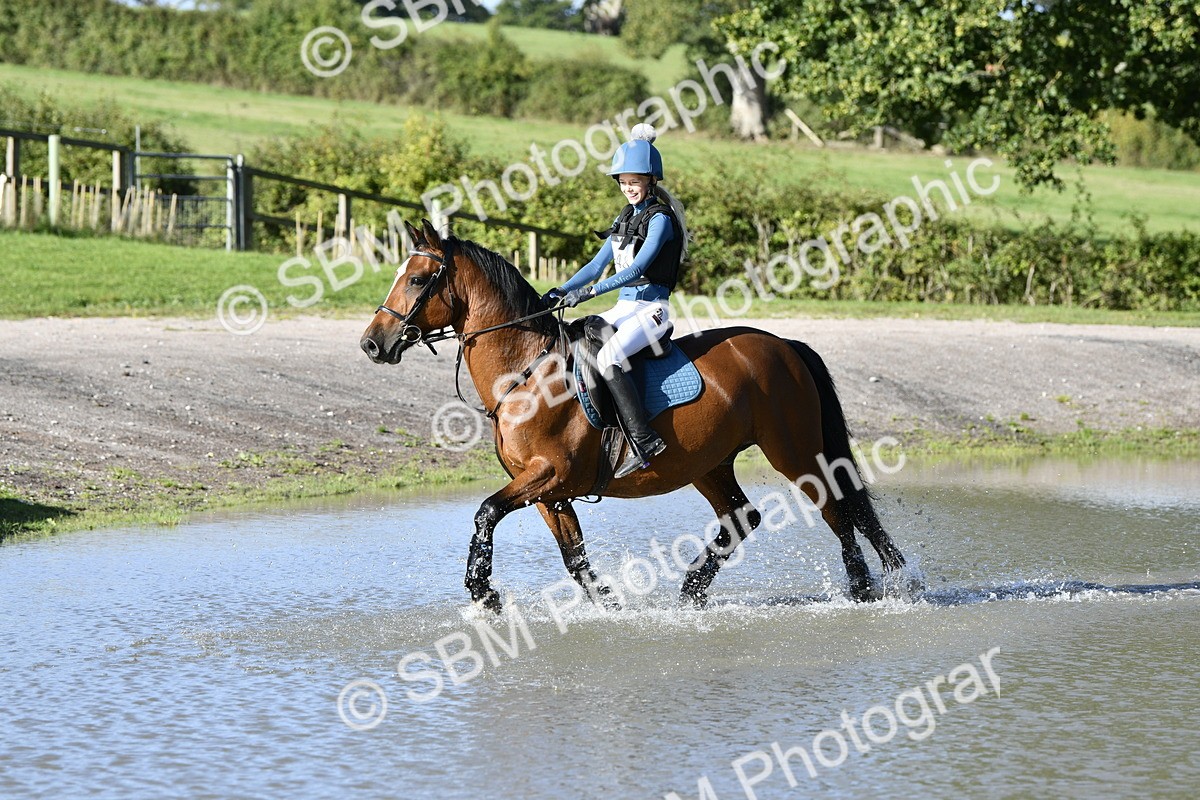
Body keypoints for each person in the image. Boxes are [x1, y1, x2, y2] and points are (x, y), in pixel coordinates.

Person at [543, 123, 689, 479]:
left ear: (651, 181)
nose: (629, 188)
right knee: (578, 342)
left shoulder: (661, 221)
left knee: (609, 355)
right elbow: (595, 265)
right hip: (624, 308)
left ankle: (643, 439)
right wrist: (561, 291)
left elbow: (640, 266)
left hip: (651, 310)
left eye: (635, 182)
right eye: (624, 182)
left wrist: (590, 293)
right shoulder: (623, 218)